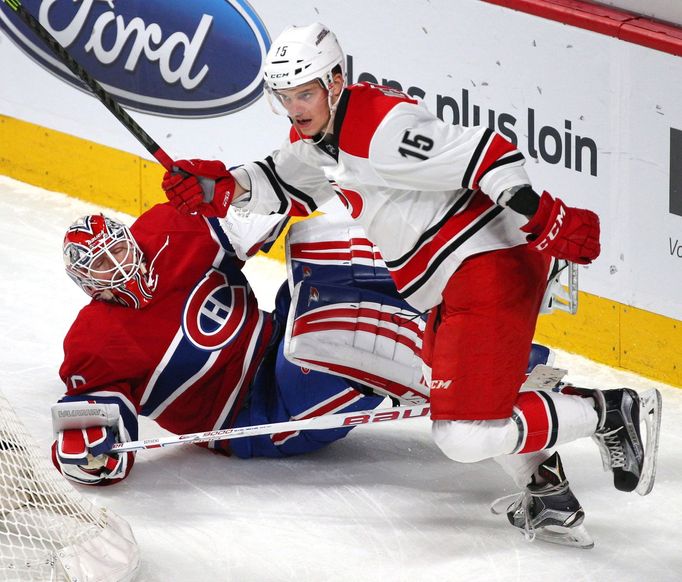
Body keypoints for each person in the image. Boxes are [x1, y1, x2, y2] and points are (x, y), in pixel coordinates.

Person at [160, 23, 662, 547]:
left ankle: (609, 410)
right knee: (450, 385)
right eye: (285, 97)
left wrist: (544, 214)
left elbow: (488, 153)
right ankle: (547, 492)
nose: (295, 108)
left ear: (335, 82)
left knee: (464, 434)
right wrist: (223, 186)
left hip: (489, 268)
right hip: (452, 281)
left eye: (304, 93)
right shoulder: (318, 136)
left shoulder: (382, 128)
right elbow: (288, 181)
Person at [52, 204, 408, 486]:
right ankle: (433, 369)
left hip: (279, 333)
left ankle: (442, 303)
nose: (117, 262)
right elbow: (93, 427)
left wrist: (254, 187)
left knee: (323, 243)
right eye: (101, 263)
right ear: (86, 283)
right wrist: (91, 456)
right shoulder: (94, 342)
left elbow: (255, 213)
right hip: (261, 413)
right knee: (330, 340)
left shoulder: (169, 228)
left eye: (116, 248)